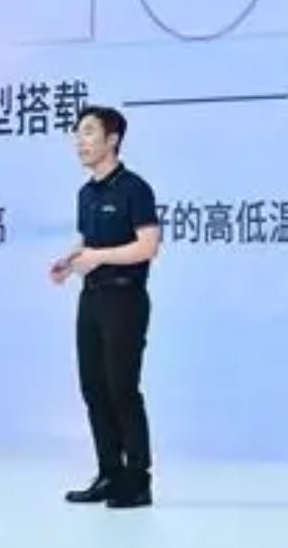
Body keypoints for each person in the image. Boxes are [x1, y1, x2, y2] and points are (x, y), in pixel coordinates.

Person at [50, 105, 161, 509]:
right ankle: (109, 473)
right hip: (92, 297)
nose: (79, 142)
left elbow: (148, 246)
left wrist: (98, 258)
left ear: (112, 140)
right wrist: (70, 261)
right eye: (77, 133)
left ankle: (138, 480)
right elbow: (88, 242)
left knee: (122, 388)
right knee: (94, 387)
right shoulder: (86, 194)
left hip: (125, 299)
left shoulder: (135, 188)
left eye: (88, 132)